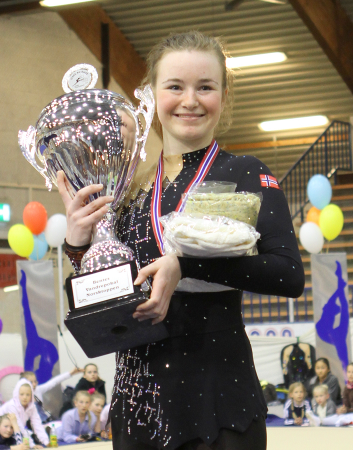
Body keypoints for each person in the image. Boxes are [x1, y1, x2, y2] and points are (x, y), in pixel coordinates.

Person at [58, 30, 305, 450]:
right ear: (150, 97)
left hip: (219, 401)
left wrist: (186, 264)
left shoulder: (244, 171)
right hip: (140, 406)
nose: (190, 100)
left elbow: (288, 275)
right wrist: (80, 245)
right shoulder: (127, 190)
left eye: (205, 87)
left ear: (223, 97)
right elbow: (106, 301)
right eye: (175, 86)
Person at [0, 380, 49, 448]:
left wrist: (46, 442)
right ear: (17, 394)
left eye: (28, 394)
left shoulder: (32, 407)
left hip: (12, 433)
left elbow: (37, 424)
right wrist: (32, 445)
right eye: (22, 394)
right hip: (5, 431)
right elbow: (20, 427)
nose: (25, 397)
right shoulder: (12, 405)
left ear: (31, 395)